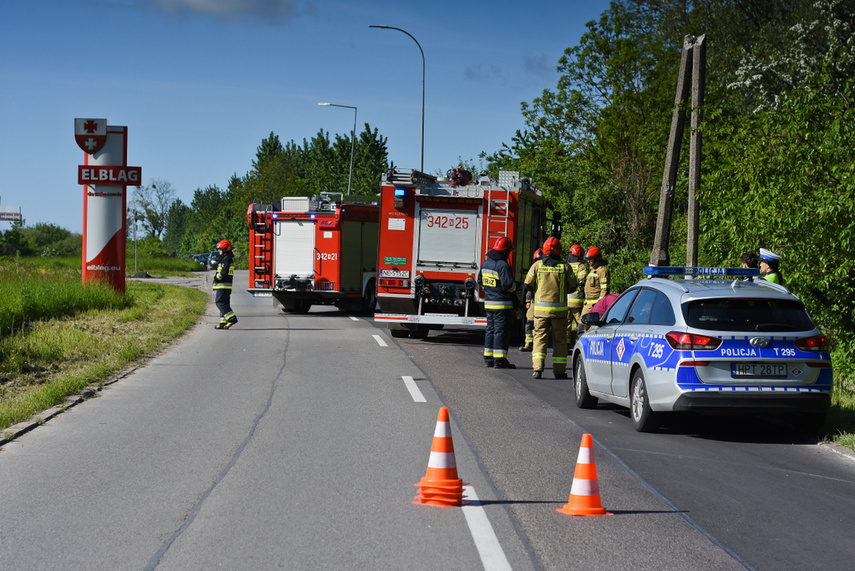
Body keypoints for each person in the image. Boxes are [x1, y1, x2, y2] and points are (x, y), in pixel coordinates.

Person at [525, 237, 576, 379]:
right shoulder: (565, 267)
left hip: (540, 312)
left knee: (539, 339)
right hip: (559, 314)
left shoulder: (537, 266)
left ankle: (537, 369)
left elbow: (527, 284)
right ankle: (559, 371)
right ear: (559, 251)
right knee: (559, 341)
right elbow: (573, 287)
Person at [477, 237, 517, 369]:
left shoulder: (486, 263)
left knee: (490, 330)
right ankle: (499, 361)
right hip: (502, 304)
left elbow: (480, 281)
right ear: (505, 251)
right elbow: (508, 286)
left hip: (488, 303)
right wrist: (516, 287)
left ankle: (488, 359)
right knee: (500, 332)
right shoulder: (503, 265)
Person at [520, 248, 543, 352]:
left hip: (543, 302)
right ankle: (528, 343)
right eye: (538, 259)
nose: (539, 261)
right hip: (534, 301)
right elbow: (529, 286)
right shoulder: (534, 268)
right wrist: (528, 301)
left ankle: (538, 344)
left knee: (540, 324)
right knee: (530, 322)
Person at [581, 246, 609, 331]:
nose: (588, 261)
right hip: (587, 305)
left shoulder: (602, 271)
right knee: (581, 328)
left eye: (590, 259)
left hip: (594, 306)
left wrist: (599, 305)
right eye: (587, 259)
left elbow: (604, 289)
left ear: (596, 258)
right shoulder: (592, 270)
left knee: (588, 329)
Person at [565, 243, 588, 348]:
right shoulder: (581, 266)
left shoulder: (566, 265)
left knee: (566, 324)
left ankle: (566, 344)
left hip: (565, 300)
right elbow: (582, 280)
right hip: (577, 301)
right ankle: (578, 345)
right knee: (580, 323)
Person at [213, 239, 238, 330]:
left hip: (222, 285)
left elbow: (223, 273)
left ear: (225, 249)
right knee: (224, 303)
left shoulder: (226, 259)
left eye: (220, 249)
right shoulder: (226, 258)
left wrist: (217, 277)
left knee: (219, 302)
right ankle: (223, 322)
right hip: (225, 285)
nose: (219, 251)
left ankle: (232, 318)